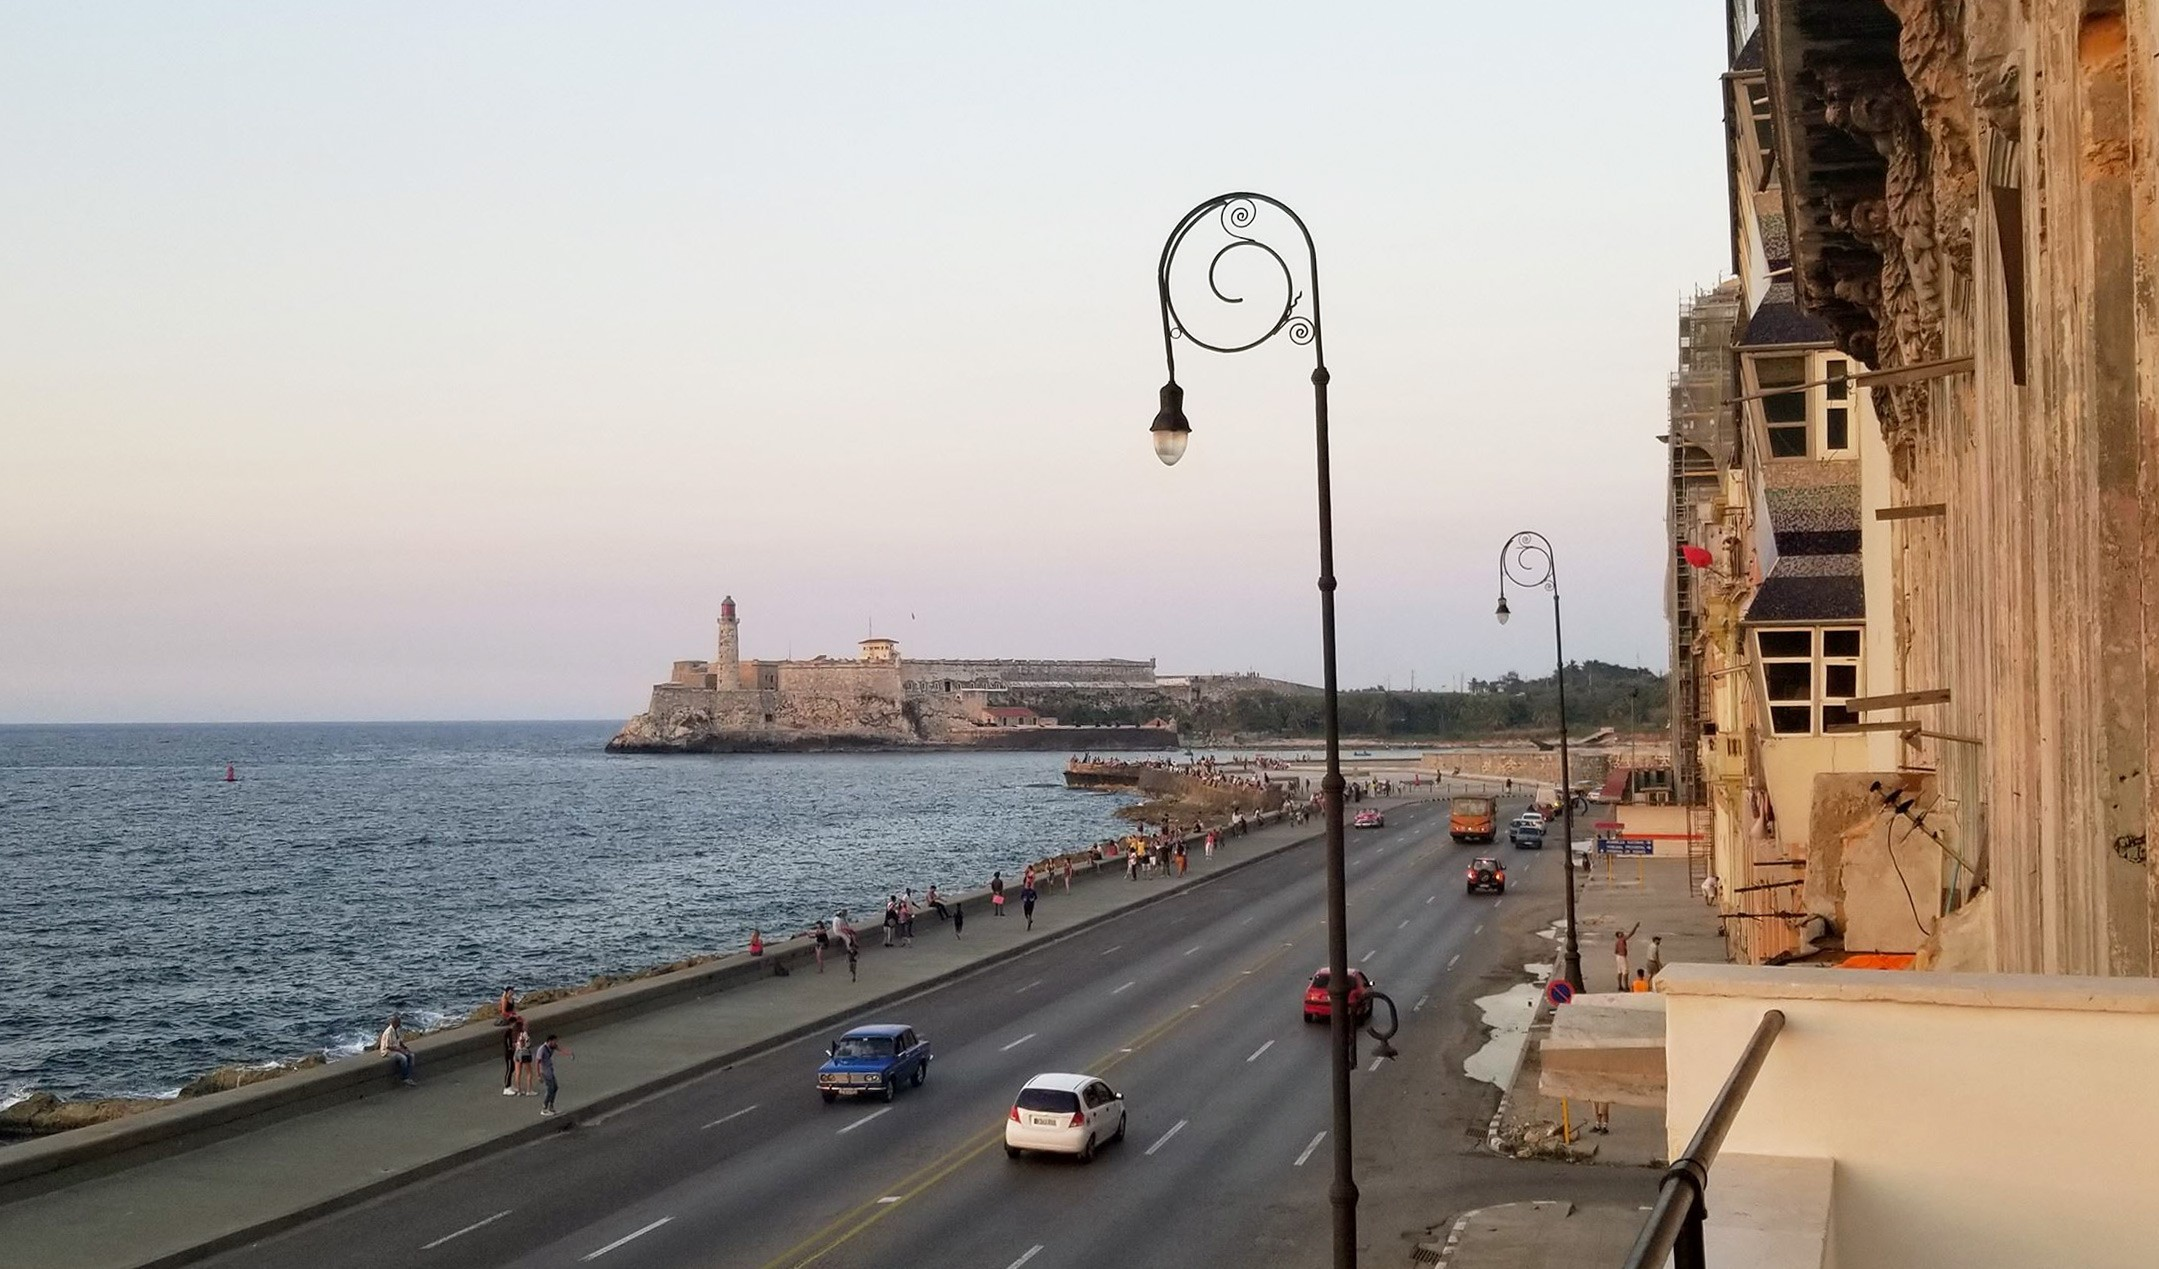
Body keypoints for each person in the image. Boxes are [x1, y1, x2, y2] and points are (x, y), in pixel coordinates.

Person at [535, 1033, 570, 1116]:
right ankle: (544, 1108)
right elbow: (537, 1061)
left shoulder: (552, 1046)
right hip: (545, 1071)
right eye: (554, 1041)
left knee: (555, 1087)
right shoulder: (542, 1049)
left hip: (550, 1070)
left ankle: (551, 1107)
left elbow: (559, 1049)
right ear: (549, 1041)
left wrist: (568, 1054)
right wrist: (538, 1075)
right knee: (550, 1088)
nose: (555, 1043)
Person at [378, 1014, 416, 1086]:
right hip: (388, 1051)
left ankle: (409, 1074)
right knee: (403, 1058)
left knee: (411, 1055)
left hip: (396, 1048)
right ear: (394, 1023)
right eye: (398, 1023)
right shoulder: (389, 1032)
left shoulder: (397, 1030)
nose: (399, 1025)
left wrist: (405, 1048)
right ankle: (405, 1078)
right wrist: (401, 1051)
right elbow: (388, 1046)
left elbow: (399, 1041)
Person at [1613, 923, 1641, 992]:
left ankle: (1620, 986)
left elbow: (1615, 951)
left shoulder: (1617, 942)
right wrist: (1635, 927)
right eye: (1620, 933)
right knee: (1625, 972)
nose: (1622, 933)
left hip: (1618, 957)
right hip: (1622, 957)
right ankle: (1626, 987)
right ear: (1618, 935)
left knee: (1619, 972)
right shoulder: (1622, 939)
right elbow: (1631, 934)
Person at [514, 1021, 537, 1095]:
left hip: (517, 1053)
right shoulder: (525, 1034)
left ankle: (519, 1090)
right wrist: (524, 1045)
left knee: (518, 1072)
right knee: (529, 1072)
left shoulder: (517, 1034)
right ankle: (529, 1090)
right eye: (526, 1026)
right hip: (524, 1053)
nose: (528, 1027)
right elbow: (525, 1044)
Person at [501, 1017, 522, 1095]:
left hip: (511, 1052)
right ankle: (506, 1087)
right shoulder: (508, 1032)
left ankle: (509, 1085)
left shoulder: (511, 1032)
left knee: (512, 1068)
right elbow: (508, 1044)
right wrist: (513, 1046)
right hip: (508, 1053)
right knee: (509, 1069)